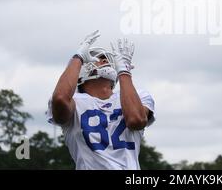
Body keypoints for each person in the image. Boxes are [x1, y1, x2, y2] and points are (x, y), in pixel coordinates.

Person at [47, 30, 155, 170]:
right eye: (98, 58)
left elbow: (136, 120)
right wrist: (78, 57)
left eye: (105, 58)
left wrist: (124, 71)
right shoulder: (74, 102)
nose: (105, 60)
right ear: (81, 71)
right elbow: (60, 98)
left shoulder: (138, 96)